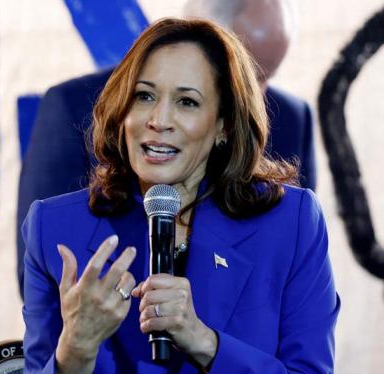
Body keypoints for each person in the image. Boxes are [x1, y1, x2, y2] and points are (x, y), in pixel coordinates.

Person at [21, 18, 339, 374]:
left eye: (187, 102)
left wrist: (205, 342)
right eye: (144, 96)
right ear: (122, 110)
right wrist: (74, 353)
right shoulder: (54, 229)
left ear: (223, 124)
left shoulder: (290, 225)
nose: (159, 120)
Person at [16, 0, 316, 299]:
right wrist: (83, 339)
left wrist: (204, 337)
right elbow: (41, 274)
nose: (256, 98)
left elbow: (293, 293)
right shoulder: (69, 105)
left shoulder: (292, 119)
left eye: (266, 77)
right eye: (248, 74)